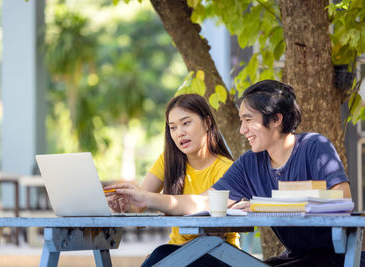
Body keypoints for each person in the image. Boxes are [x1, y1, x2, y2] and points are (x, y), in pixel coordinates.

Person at [106, 80, 356, 266]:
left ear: (276, 119)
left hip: (334, 258)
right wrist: (146, 198)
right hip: (293, 259)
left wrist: (269, 204)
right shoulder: (250, 163)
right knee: (163, 256)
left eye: (248, 120)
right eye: (241, 121)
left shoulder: (314, 146)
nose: (241, 129)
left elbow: (342, 199)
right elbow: (204, 201)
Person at [106, 93, 239, 266]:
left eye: (186, 123)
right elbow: (138, 205)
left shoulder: (227, 168)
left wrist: (144, 197)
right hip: (178, 252)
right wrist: (123, 206)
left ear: (207, 123)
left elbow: (198, 205)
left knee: (159, 257)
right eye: (173, 127)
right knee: (159, 255)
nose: (180, 133)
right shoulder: (168, 162)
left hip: (220, 253)